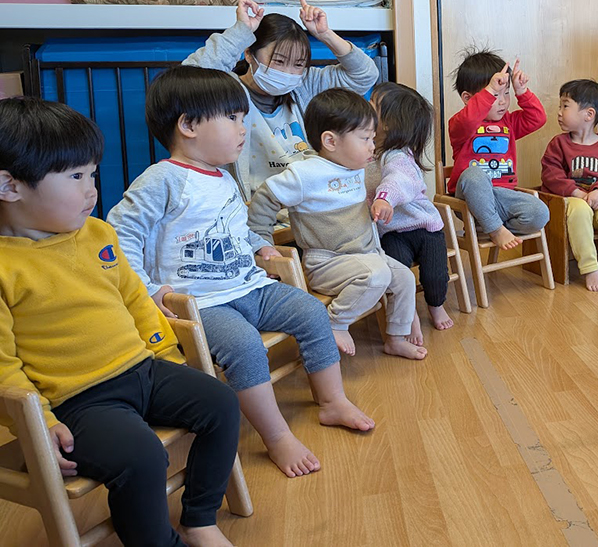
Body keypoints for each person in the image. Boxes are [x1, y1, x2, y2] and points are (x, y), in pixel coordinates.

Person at [107, 67, 373, 480]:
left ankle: (332, 400)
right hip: (202, 304)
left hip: (250, 285)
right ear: (189, 125)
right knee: (246, 347)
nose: (243, 127)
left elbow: (234, 225)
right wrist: (148, 288)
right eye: (232, 117)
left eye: (242, 117)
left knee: (312, 312)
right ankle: (277, 436)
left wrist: (258, 244)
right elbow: (119, 234)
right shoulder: (162, 180)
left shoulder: (224, 177)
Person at [0, 97, 240, 547]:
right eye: (75, 177)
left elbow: (135, 299)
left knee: (222, 403)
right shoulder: (6, 265)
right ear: (9, 186)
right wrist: (40, 423)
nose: (91, 190)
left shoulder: (98, 234)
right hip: (76, 402)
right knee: (141, 458)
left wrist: (166, 352)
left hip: (143, 369)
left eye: (91, 174)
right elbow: (2, 365)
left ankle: (200, 517)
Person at [248, 88, 427, 359]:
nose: (372, 145)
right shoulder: (304, 174)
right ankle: (334, 322)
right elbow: (264, 198)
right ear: (330, 141)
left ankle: (395, 338)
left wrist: (385, 201)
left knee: (403, 277)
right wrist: (262, 241)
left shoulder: (355, 166)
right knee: (377, 275)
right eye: (365, 138)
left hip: (367, 255)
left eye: (373, 138)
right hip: (328, 262)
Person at [183, 0, 379, 198]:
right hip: (255, 204)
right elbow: (188, 78)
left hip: (309, 200)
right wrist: (241, 32)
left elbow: (365, 76)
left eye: (298, 64)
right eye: (278, 61)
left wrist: (326, 34)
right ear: (249, 53)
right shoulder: (227, 90)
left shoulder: (305, 84)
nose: (288, 72)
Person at [365, 83, 454, 330]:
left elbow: (398, 180)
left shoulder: (398, 155)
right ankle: (408, 311)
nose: (365, 108)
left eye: (372, 106)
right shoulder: (367, 152)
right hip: (392, 232)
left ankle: (436, 305)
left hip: (423, 227)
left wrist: (384, 198)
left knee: (435, 275)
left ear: (388, 123)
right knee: (398, 271)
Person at [447, 50, 549, 250]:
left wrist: (522, 92)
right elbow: (469, 119)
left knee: (540, 213)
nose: (502, 101)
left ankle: (490, 224)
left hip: (503, 196)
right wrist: (489, 92)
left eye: (506, 93)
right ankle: (495, 229)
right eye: (495, 95)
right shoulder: (461, 124)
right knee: (474, 175)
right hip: (469, 198)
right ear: (468, 98)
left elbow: (538, 118)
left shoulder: (509, 122)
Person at [540, 79, 598, 292]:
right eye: (560, 106)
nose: (559, 112)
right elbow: (551, 175)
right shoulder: (558, 144)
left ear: (589, 114)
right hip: (568, 203)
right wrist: (576, 192)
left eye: (565, 106)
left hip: (597, 201)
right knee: (580, 209)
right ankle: (590, 268)